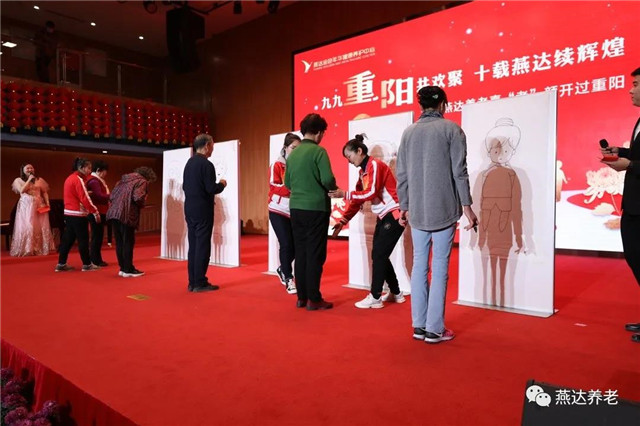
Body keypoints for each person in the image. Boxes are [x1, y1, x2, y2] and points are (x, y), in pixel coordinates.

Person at [396, 86, 478, 343]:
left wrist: (404, 205)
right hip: (444, 208)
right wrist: (467, 207)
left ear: (421, 105)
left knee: (420, 266)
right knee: (440, 266)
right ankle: (435, 328)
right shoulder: (452, 129)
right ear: (443, 103)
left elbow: (402, 175)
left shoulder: (408, 133)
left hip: (417, 210)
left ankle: (419, 325)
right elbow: (459, 172)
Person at [330, 134, 406, 309]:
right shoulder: (363, 172)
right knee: (379, 255)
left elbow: (370, 192)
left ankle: (375, 297)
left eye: (349, 156)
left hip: (394, 214)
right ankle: (396, 292)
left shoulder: (375, 165)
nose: (348, 161)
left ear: (359, 151)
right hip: (384, 215)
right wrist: (343, 220)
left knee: (379, 254)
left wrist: (344, 194)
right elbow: (358, 200)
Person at [601, 67, 640, 343]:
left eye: (636, 84)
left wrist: (631, 165)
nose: (630, 89)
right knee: (634, 257)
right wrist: (620, 152)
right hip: (634, 204)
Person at [284, 113, 337, 310]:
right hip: (316, 208)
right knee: (315, 253)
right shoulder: (319, 152)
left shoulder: (293, 154)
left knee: (301, 252)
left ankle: (302, 297)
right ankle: (314, 299)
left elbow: (287, 183)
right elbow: (327, 179)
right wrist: (333, 188)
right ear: (319, 132)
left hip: (296, 208)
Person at [183, 134, 227, 292]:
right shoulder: (207, 165)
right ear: (207, 145)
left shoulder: (189, 163)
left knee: (193, 245)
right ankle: (200, 282)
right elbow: (211, 188)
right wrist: (222, 184)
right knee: (202, 245)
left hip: (190, 208)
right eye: (212, 146)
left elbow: (185, 187)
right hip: (203, 210)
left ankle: (192, 282)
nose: (213, 149)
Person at [106, 166, 156, 278]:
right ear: (148, 177)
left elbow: (112, 196)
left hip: (114, 213)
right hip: (127, 214)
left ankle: (123, 268)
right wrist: (143, 201)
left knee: (119, 242)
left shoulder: (122, 180)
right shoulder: (141, 181)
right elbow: (138, 197)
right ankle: (128, 269)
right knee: (128, 241)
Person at [55, 157, 101, 272]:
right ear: (81, 168)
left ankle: (61, 263)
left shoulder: (70, 178)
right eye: (88, 168)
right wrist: (95, 211)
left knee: (68, 240)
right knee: (83, 240)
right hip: (78, 214)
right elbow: (84, 198)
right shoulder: (78, 179)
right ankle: (87, 264)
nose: (90, 171)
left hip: (69, 213)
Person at [268, 133, 300, 295]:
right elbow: (274, 186)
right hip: (278, 210)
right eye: (293, 148)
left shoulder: (300, 165)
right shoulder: (277, 164)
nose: (296, 151)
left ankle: (282, 268)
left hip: (294, 210)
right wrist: (293, 188)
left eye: (298, 148)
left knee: (296, 246)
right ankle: (288, 278)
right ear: (285, 148)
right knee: (286, 244)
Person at [10, 163, 55, 256]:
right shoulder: (18, 180)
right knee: (27, 225)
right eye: (28, 168)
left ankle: (38, 248)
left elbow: (44, 192)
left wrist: (47, 203)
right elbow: (21, 190)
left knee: (40, 226)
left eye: (31, 168)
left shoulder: (39, 180)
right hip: (26, 206)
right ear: (23, 170)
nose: (30, 170)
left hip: (39, 205)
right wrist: (29, 180)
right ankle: (27, 249)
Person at [86, 160, 110, 267]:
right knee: (97, 236)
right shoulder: (94, 181)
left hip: (99, 210)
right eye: (105, 171)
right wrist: (112, 195)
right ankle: (95, 259)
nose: (106, 173)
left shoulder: (95, 180)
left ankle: (96, 258)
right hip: (97, 211)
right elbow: (99, 195)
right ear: (99, 170)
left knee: (98, 236)